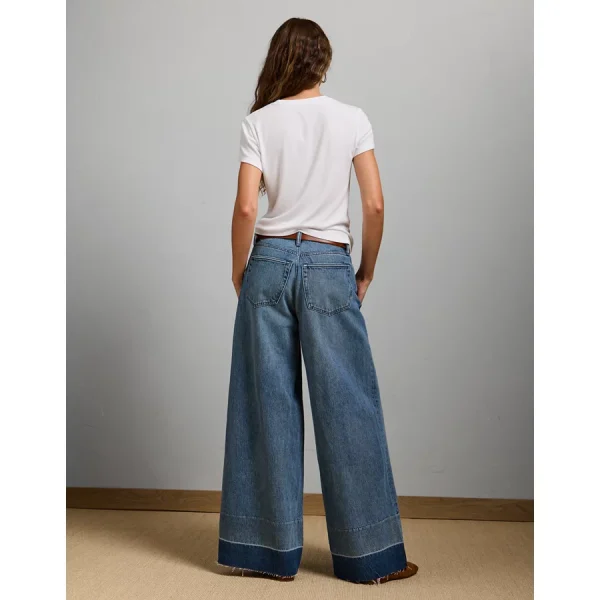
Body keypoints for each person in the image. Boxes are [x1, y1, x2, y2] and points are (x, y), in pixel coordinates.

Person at [217, 18, 418, 585]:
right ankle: (371, 558)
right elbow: (374, 204)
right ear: (323, 62)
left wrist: (240, 269)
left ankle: (264, 554)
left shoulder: (259, 122)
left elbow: (247, 208)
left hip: (270, 262)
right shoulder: (352, 118)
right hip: (331, 264)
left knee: (265, 406)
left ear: (279, 60)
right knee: (348, 407)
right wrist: (366, 269)